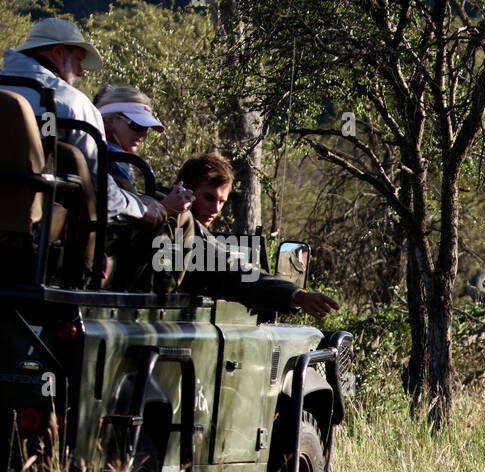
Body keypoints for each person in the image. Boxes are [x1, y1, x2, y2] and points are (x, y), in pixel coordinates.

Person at [0, 18, 163, 225]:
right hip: (34, 228)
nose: (81, 72)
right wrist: (140, 206)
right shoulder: (73, 103)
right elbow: (100, 191)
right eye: (78, 60)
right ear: (58, 52)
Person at [167, 152, 340, 319]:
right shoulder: (176, 220)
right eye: (208, 197)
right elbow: (228, 268)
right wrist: (296, 295)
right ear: (184, 190)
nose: (216, 209)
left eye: (221, 202)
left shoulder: (156, 209)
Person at [93, 84, 193, 218]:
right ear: (110, 120)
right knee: (184, 218)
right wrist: (164, 208)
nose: (143, 134)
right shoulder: (114, 156)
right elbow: (128, 216)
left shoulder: (95, 147)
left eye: (147, 127)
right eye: (137, 125)